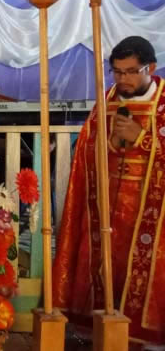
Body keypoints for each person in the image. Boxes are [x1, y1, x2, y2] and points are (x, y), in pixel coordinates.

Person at [53, 36, 165, 347]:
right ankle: (104, 334)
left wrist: (142, 138)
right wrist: (111, 143)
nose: (123, 79)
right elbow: (86, 150)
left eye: (130, 72)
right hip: (108, 207)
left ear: (150, 68)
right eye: (117, 72)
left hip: (153, 214)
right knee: (107, 268)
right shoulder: (108, 101)